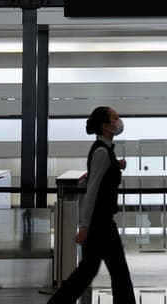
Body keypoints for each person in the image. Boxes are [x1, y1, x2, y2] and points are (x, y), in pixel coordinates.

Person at [47, 106, 134, 304]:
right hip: (100, 223)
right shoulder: (102, 153)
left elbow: (99, 178)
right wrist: (84, 226)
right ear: (105, 126)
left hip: (100, 222)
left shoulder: (105, 151)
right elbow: (92, 191)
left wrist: (116, 165)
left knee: (88, 271)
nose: (119, 121)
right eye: (115, 117)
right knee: (116, 271)